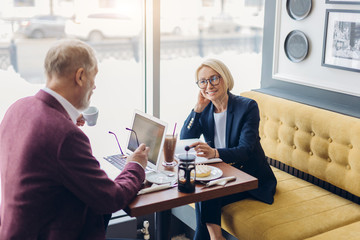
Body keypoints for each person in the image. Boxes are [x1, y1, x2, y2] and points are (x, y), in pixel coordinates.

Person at [0, 39, 149, 240]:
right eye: (94, 77)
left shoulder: (18, 107)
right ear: (80, 76)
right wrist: (136, 166)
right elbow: (110, 199)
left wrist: (65, 117)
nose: (94, 86)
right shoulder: (65, 135)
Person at [180, 59, 277, 240]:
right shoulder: (206, 109)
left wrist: (215, 153)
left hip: (249, 176)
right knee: (204, 191)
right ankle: (217, 238)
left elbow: (246, 150)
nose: (209, 85)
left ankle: (216, 238)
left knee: (206, 192)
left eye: (214, 79)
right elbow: (186, 139)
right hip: (223, 174)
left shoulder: (247, 107)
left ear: (224, 78)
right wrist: (198, 109)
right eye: (203, 81)